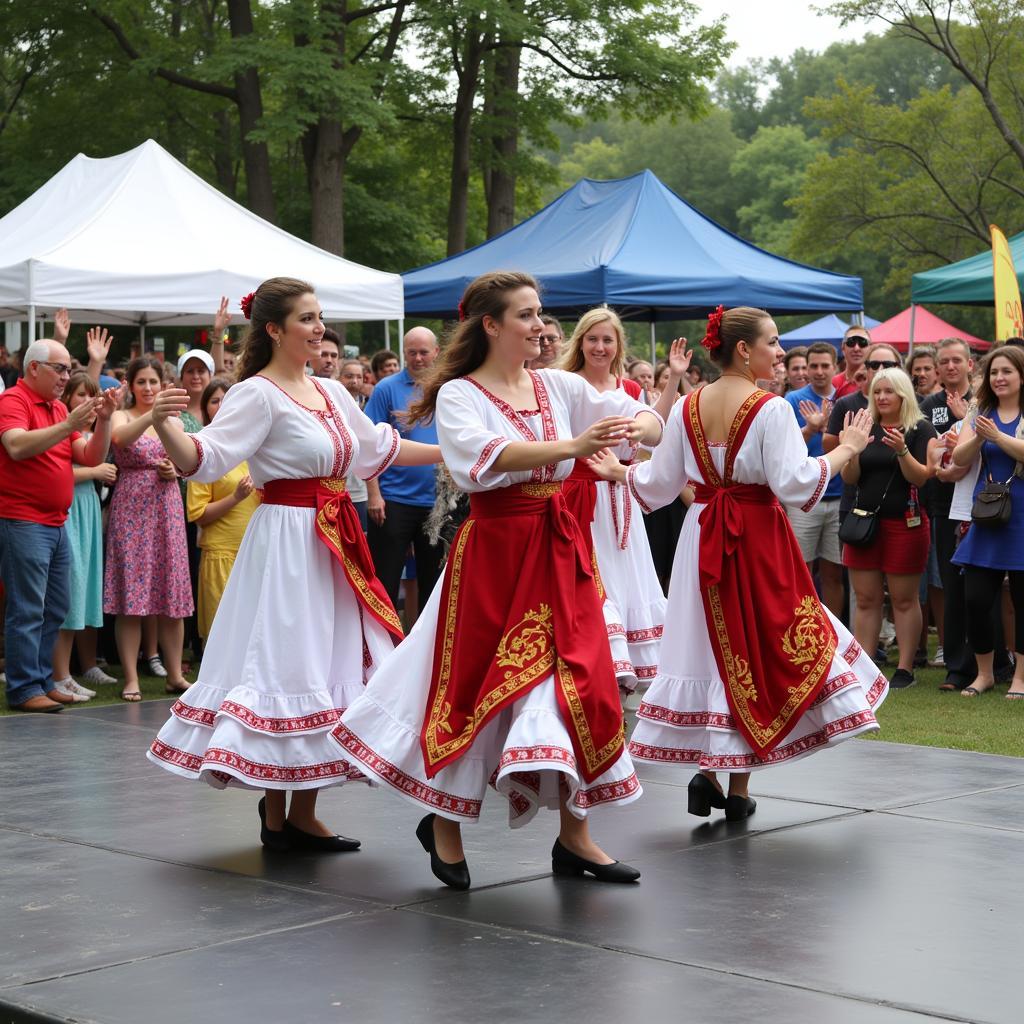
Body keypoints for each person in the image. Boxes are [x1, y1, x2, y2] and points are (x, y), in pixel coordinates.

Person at [333, 271, 664, 889]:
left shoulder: (556, 385)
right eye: (526, 315)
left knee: (583, 681)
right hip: (495, 555)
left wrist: (637, 425)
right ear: (491, 325)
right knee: (469, 689)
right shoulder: (461, 394)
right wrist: (571, 444)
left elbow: (643, 419)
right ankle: (444, 821)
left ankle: (576, 835)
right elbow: (480, 462)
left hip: (560, 550)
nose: (540, 326)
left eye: (540, 315)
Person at [146, 277, 440, 852]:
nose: (319, 329)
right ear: (276, 330)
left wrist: (459, 449)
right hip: (285, 544)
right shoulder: (255, 394)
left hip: (331, 538)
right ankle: (279, 813)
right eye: (307, 319)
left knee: (327, 666)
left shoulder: (330, 392)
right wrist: (163, 425)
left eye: (320, 318)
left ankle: (298, 812)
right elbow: (204, 461)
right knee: (289, 666)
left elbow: (381, 448)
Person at [588, 304, 886, 820]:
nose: (779, 351)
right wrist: (847, 449)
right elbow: (795, 484)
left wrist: (620, 473)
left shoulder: (687, 407)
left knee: (708, 649)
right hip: (756, 539)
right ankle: (734, 787)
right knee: (755, 645)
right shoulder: (770, 409)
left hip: (702, 535)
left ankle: (716, 778)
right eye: (772, 342)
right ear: (744, 350)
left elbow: (659, 485)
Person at [558, 307, 676, 692]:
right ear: (580, 342)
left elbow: (651, 428)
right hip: (578, 496)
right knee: (595, 580)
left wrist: (673, 378)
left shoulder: (628, 389)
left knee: (628, 581)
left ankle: (625, 673)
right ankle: (596, 664)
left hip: (619, 499)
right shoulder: (564, 382)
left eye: (607, 339)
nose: (599, 346)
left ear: (618, 345)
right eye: (592, 338)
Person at [0, 340, 122, 712]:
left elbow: (90, 455)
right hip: (23, 520)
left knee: (55, 606)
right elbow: (17, 446)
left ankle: (41, 680)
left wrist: (102, 421)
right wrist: (71, 422)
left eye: (70, 369)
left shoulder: (54, 407)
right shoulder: (14, 401)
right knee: (28, 607)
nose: (67, 377)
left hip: (55, 522)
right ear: (34, 368)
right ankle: (23, 689)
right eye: (61, 369)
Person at [841, 369, 937, 689]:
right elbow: (850, 478)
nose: (881, 397)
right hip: (864, 523)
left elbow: (921, 477)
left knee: (903, 600)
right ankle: (865, 669)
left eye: (889, 392)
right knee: (867, 599)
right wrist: (851, 451)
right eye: (877, 391)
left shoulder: (919, 428)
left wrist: (902, 450)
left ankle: (905, 668)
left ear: (903, 395)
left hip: (905, 525)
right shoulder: (865, 425)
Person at [105, 356, 194, 701]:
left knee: (172, 595)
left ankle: (174, 675)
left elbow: (188, 459)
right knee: (131, 597)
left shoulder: (176, 421)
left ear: (162, 384)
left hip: (166, 506)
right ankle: (131, 677)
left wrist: (176, 469)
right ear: (130, 385)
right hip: (131, 507)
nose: (147, 388)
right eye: (141, 382)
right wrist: (152, 415)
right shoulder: (123, 415)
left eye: (153, 382)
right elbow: (120, 439)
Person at [951, 346, 1024, 698]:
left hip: (1022, 518)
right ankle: (985, 673)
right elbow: (958, 456)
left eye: (1007, 371)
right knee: (976, 599)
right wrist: (980, 434)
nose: (999, 378)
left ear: (1021, 375)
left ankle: (1021, 678)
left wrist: (998, 437)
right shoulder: (979, 410)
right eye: (994, 372)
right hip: (989, 516)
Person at [365, 327, 445, 610]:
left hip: (437, 503)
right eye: (412, 352)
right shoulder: (387, 388)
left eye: (424, 352)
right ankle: (380, 648)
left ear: (436, 352)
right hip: (393, 500)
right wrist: (373, 494)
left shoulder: (447, 387)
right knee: (385, 581)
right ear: (404, 353)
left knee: (434, 585)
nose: (418, 358)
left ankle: (428, 650)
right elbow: (370, 443)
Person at [50, 373, 119, 701]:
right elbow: (54, 470)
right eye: (80, 395)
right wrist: (93, 472)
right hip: (68, 509)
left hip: (88, 509)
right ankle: (59, 674)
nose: (87, 401)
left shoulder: (88, 430)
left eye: (91, 395)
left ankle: (83, 666)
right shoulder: (60, 424)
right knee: (69, 591)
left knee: (87, 587)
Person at [186, 378, 261, 641]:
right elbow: (198, 514)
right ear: (205, 408)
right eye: (215, 401)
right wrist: (236, 497)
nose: (222, 406)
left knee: (254, 632)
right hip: (221, 555)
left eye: (228, 400)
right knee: (223, 635)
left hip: (255, 551)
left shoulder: (257, 447)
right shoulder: (203, 449)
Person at [784, 342, 844, 616]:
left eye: (824, 366)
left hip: (840, 494)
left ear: (835, 367)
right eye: (813, 366)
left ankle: (834, 632)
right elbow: (784, 448)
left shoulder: (844, 399)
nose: (819, 372)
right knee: (801, 570)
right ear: (806, 368)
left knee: (834, 572)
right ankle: (805, 627)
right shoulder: (792, 400)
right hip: (804, 497)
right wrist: (810, 428)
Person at [339, 358, 370, 528]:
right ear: (339, 378)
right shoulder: (329, 406)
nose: (354, 381)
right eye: (349, 376)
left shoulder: (367, 406)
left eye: (359, 377)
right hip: (335, 488)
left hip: (359, 490)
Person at [833, 326, 871, 399]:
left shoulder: (877, 382)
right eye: (851, 342)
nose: (856, 348)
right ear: (843, 348)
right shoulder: (834, 383)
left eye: (863, 342)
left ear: (870, 348)